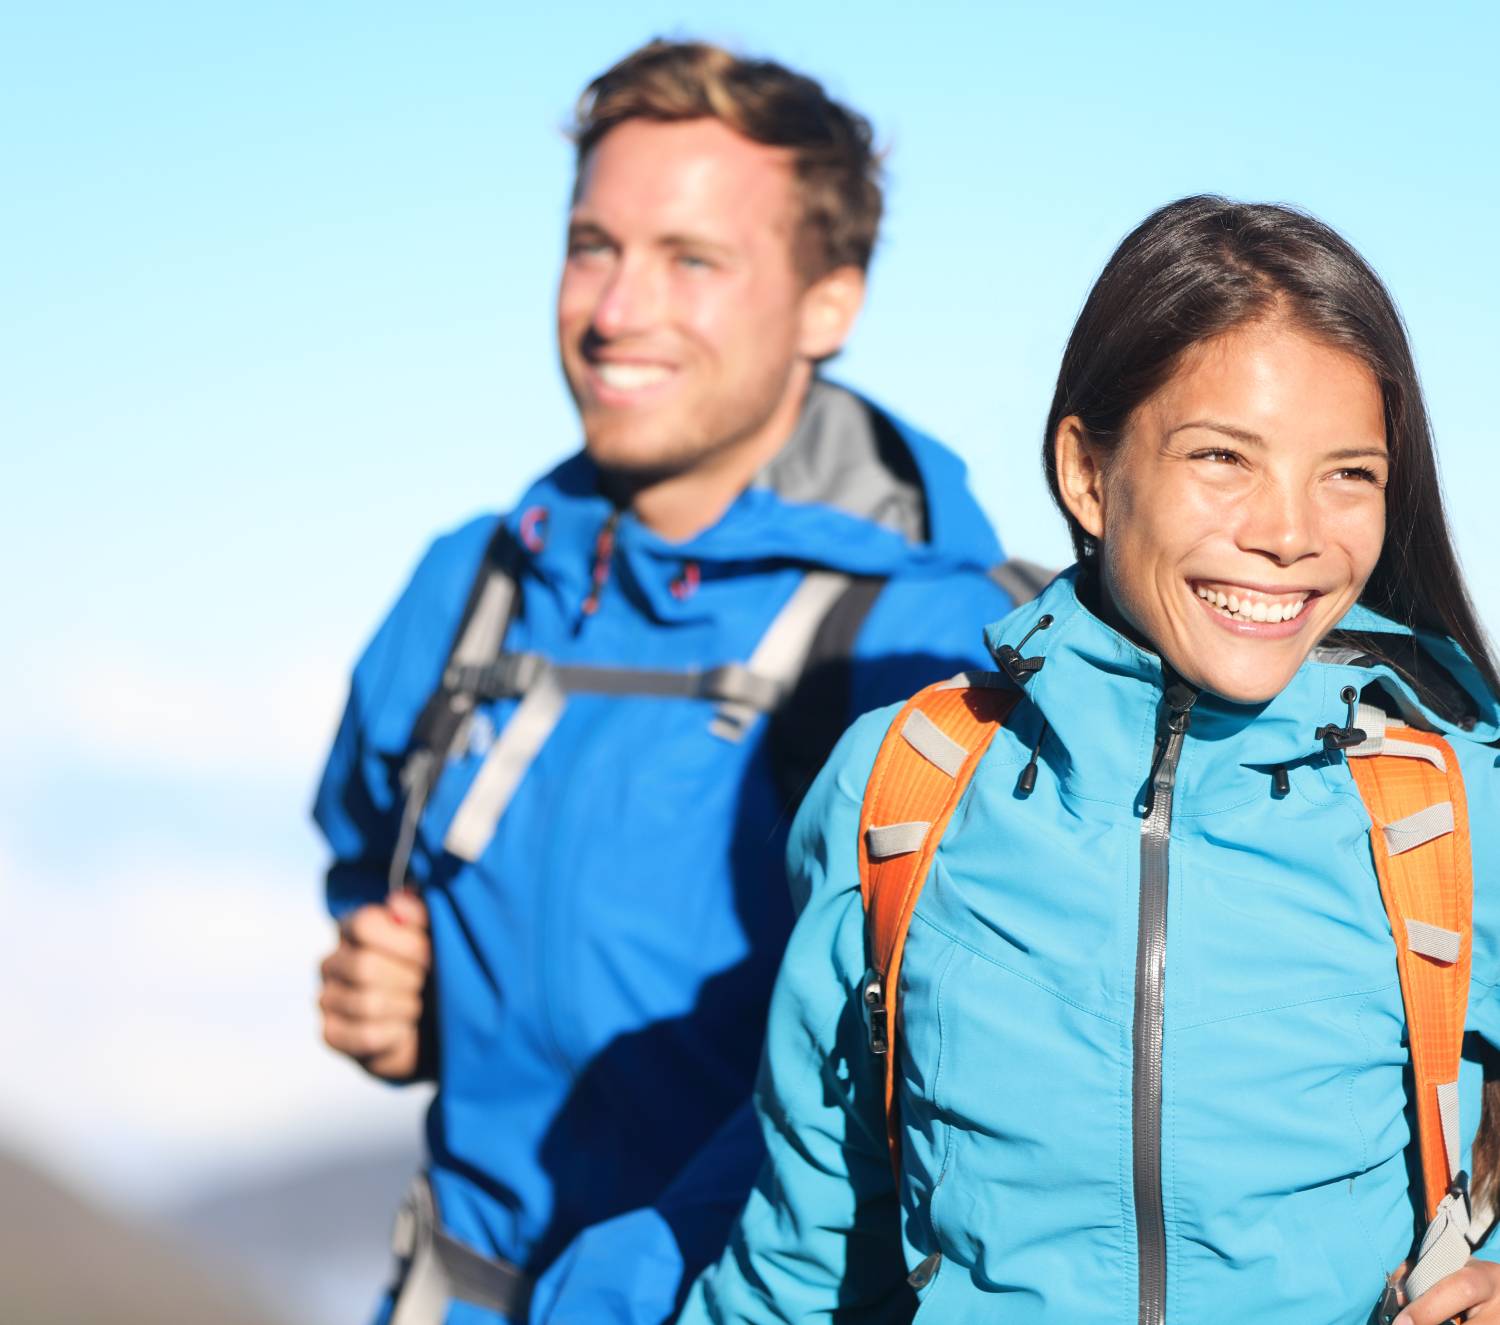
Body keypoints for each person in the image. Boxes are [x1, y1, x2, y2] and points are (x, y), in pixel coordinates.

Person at [312, 39, 1037, 1325]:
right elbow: (373, 865)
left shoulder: (938, 650)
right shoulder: (471, 588)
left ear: (831, 301)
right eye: (595, 244)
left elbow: (948, 1092)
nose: (613, 310)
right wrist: (402, 1003)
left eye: (692, 260)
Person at [677, 195, 1500, 1325]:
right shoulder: (902, 786)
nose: (1293, 530)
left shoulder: (1455, 789)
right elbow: (804, 1263)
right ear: (1087, 470)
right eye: (1224, 457)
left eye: (1348, 473)